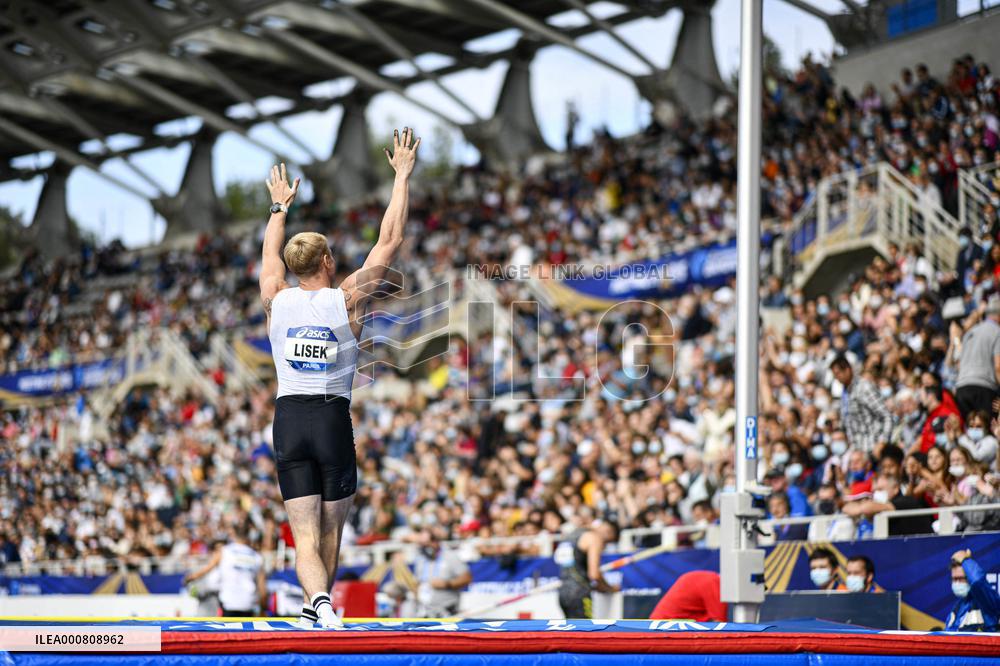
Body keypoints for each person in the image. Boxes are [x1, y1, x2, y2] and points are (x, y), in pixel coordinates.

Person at [258, 129, 420, 628]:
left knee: (303, 535)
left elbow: (269, 257)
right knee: (331, 530)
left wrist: (278, 209)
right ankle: (322, 605)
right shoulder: (346, 298)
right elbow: (389, 240)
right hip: (331, 419)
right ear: (327, 262)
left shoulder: (274, 298)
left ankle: (318, 607)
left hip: (288, 419)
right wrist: (400, 176)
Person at [183, 525, 266, 617]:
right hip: (248, 603)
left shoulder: (225, 551)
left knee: (229, 631)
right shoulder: (257, 557)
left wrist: (190, 577)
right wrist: (262, 610)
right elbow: (262, 589)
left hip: (229, 603)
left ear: (233, 535)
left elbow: (206, 569)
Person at [556, 520, 620, 619]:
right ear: (608, 531)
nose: (604, 546)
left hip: (563, 592)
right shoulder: (594, 537)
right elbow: (594, 575)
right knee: (585, 632)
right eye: (606, 542)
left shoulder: (571, 535)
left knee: (571, 631)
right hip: (580, 593)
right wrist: (610, 588)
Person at [830, 355, 893, 454]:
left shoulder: (864, 387)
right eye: (835, 375)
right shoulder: (845, 393)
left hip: (873, 447)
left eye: (838, 374)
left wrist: (883, 441)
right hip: (858, 451)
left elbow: (886, 415)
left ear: (848, 369)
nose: (837, 378)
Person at [954, 295, 1000, 419]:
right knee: (986, 427)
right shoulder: (997, 332)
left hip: (962, 386)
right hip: (983, 387)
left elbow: (958, 362)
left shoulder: (971, 332)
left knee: (970, 428)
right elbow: (998, 367)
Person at [843, 474, 934, 536]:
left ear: (895, 488)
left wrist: (860, 507)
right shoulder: (879, 505)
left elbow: (867, 508)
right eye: (874, 491)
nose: (876, 493)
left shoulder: (906, 501)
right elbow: (846, 508)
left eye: (880, 489)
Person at [413, 527, 472, 617]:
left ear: (435, 542)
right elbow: (417, 583)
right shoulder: (421, 559)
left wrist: (448, 584)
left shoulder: (450, 556)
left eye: (426, 544)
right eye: (422, 545)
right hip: (426, 611)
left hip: (447, 611)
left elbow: (467, 578)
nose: (424, 548)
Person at [945, 549, 1000, 632]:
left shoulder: (987, 601)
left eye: (960, 578)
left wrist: (965, 560)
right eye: (954, 579)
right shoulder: (957, 607)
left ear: (969, 578)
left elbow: (977, 581)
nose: (957, 583)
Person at [649, 571, 727, 622]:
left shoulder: (707, 577)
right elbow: (720, 625)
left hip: (658, 625)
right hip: (666, 628)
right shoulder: (714, 583)